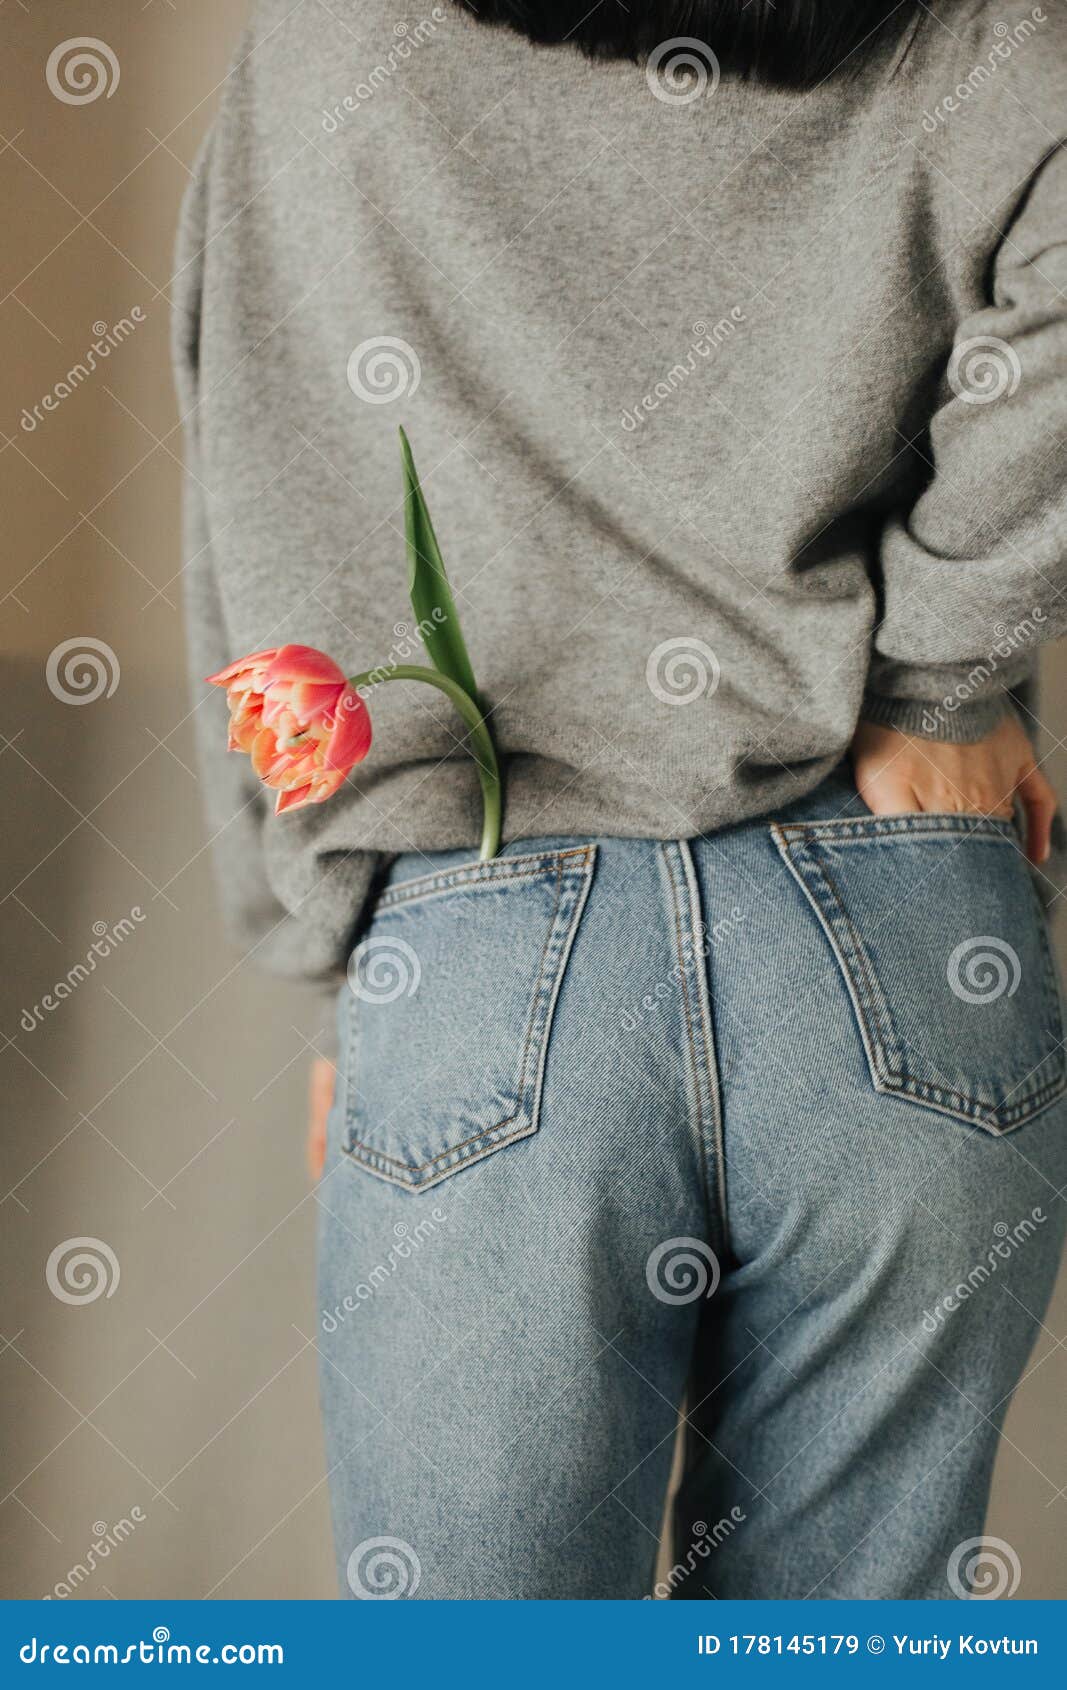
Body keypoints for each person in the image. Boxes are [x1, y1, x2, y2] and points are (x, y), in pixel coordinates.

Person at [174, 0, 1067, 1599]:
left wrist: (326, 946)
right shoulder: (990, 28)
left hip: (485, 948)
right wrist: (940, 673)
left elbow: (254, 486)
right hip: (901, 920)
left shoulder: (327, 35)